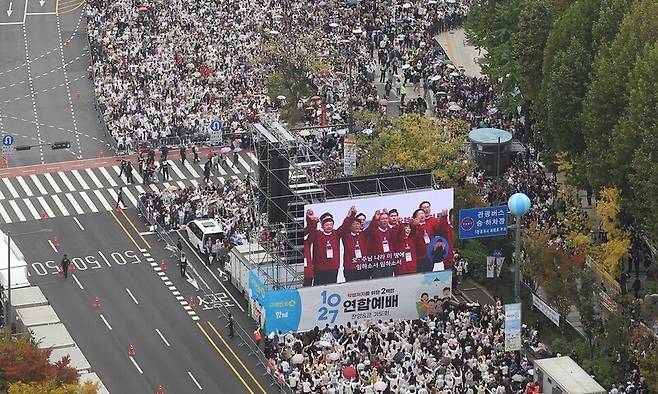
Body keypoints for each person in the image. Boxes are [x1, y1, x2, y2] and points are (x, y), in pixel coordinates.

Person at [305, 207, 353, 285]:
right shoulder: (317, 234)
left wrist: (350, 215)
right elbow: (311, 229)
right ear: (322, 226)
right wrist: (311, 220)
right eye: (327, 225)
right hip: (319, 269)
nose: (329, 226)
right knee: (318, 289)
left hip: (333, 269)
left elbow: (345, 226)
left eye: (331, 225)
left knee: (331, 289)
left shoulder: (336, 233)